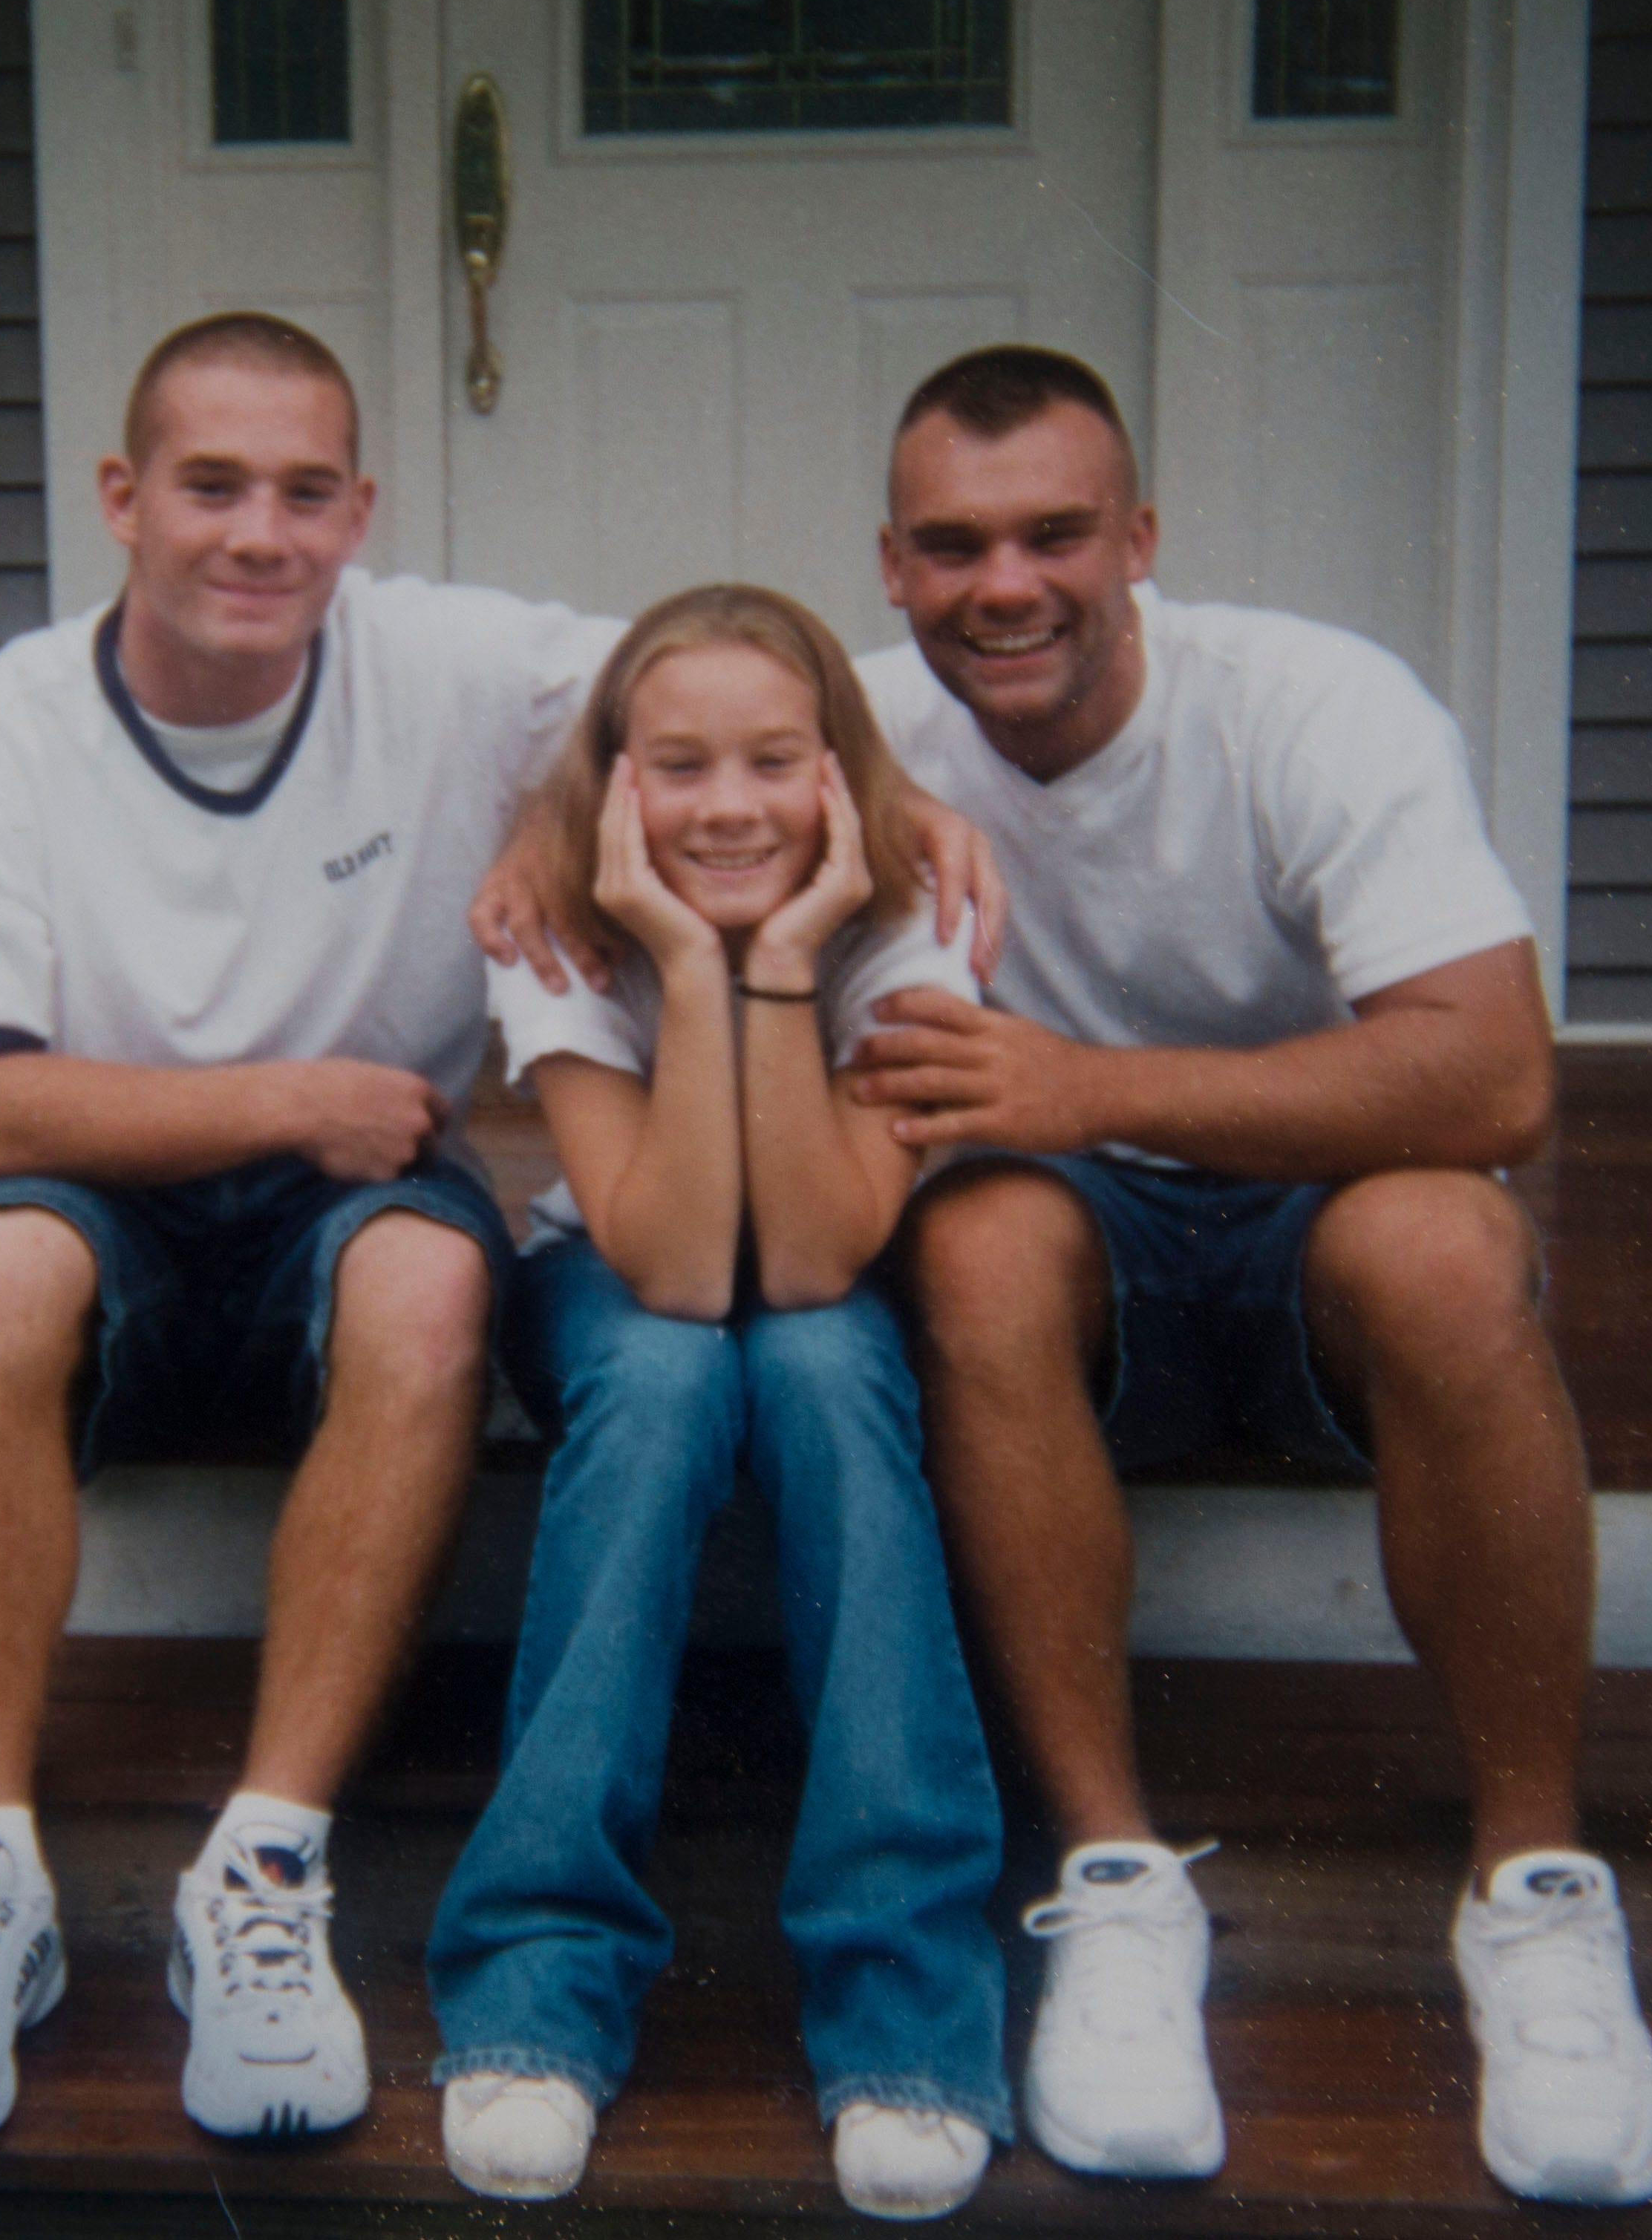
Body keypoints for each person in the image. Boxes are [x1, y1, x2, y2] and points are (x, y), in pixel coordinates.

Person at [0, 314, 999, 2155]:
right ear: (121, 499)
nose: (258, 535)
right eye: (209, 486)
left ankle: (267, 1861)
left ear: (361, 511)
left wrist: (893, 783)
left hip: (354, 1218)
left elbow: (700, 689)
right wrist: (295, 1098)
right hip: (89, 1197)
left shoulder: (447, 660)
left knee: (441, 1273)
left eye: (306, 493)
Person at [843, 346, 1652, 2206]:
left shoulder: (1309, 702)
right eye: (955, 545)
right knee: (974, 1246)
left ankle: (1532, 1896)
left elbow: (1495, 1074)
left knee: (1451, 1241)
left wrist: (1084, 1089)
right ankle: (1115, 1886)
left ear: (1136, 538)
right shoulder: (853, 733)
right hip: (1069, 1248)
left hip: (1320, 1208)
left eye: (1057, 534)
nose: (1007, 585)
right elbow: (604, 730)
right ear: (890, 568)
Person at [428, 587, 1008, 2222]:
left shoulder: (914, 925)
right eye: (676, 765)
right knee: (676, 1370)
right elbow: (678, 1268)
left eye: (772, 760)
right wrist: (687, 958)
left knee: (822, 1365)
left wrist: (791, 951)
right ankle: (535, 1983)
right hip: (620, 1286)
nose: (729, 806)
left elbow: (812, 1260)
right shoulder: (561, 922)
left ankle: (907, 2016)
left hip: (828, 1285)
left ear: (838, 769)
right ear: (613, 783)